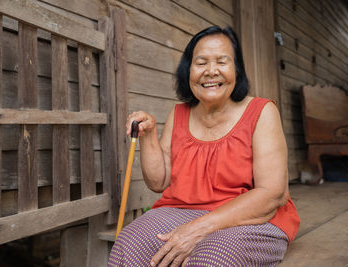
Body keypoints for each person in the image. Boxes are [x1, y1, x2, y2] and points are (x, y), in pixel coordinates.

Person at [108, 25, 300, 267]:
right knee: (128, 248)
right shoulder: (179, 114)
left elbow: (272, 194)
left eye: (222, 61)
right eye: (200, 63)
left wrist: (196, 230)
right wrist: (148, 136)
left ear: (237, 69)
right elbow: (158, 182)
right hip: (179, 211)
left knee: (211, 260)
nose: (211, 71)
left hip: (249, 218)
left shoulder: (261, 112)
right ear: (188, 70)